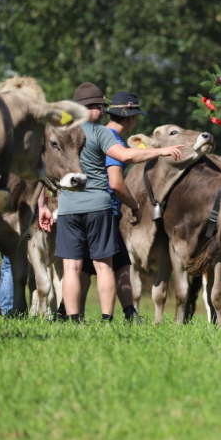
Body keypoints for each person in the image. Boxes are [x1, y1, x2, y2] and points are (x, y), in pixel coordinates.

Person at [38, 82, 184, 323]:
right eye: (100, 107)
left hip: (68, 208)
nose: (104, 112)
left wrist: (43, 204)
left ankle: (73, 320)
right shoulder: (100, 133)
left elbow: (44, 170)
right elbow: (126, 155)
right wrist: (161, 152)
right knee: (104, 267)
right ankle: (107, 319)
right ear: (90, 108)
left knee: (71, 268)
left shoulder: (60, 134)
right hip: (98, 207)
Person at [79, 91, 146, 322]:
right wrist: (135, 205)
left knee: (114, 263)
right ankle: (114, 316)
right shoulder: (111, 140)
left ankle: (129, 313)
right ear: (129, 117)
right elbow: (116, 183)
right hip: (104, 210)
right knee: (108, 264)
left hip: (91, 208)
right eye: (135, 117)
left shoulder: (95, 134)